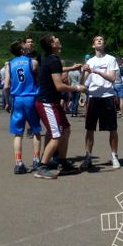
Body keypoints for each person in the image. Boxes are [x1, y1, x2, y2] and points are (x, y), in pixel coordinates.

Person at [34, 34, 86, 179]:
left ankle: (61, 162)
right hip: (47, 103)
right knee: (56, 135)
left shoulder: (51, 60)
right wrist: (77, 88)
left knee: (66, 130)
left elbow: (57, 69)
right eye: (55, 38)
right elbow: (59, 86)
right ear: (52, 45)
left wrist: (71, 68)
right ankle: (42, 167)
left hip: (52, 102)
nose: (58, 39)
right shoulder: (53, 60)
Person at [2, 40, 42, 175]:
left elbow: (6, 86)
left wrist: (7, 102)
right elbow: (38, 81)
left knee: (18, 133)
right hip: (31, 98)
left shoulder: (10, 64)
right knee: (36, 130)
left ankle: (18, 163)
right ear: (22, 50)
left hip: (17, 99)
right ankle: (36, 160)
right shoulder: (33, 62)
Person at [81, 35, 120, 170]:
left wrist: (96, 71)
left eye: (102, 39)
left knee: (112, 128)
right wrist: (83, 72)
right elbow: (83, 83)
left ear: (104, 44)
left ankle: (114, 156)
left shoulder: (111, 59)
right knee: (89, 128)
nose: (99, 40)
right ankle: (88, 156)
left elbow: (112, 78)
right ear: (93, 45)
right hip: (93, 97)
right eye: (97, 39)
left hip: (108, 96)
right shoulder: (90, 61)